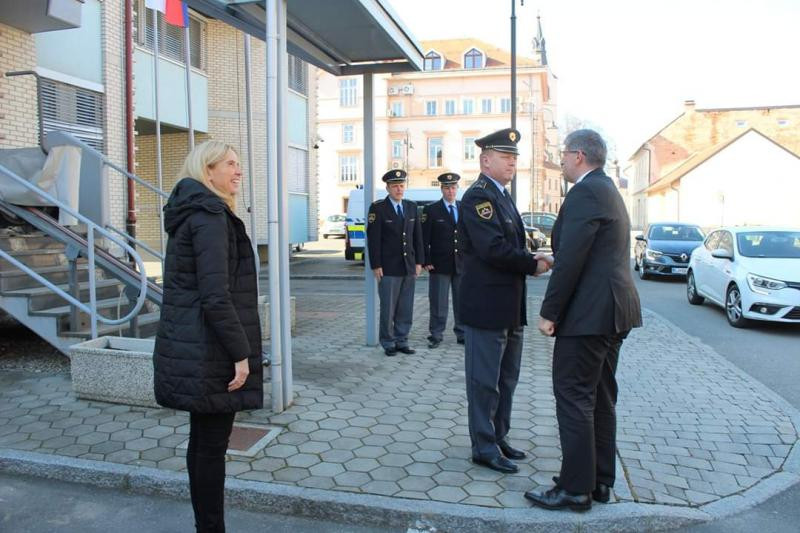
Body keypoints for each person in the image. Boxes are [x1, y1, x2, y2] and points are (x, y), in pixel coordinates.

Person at [525, 129, 642, 512]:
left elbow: (574, 258)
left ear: (578, 155)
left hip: (589, 315)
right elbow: (591, 252)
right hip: (613, 311)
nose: (560, 161)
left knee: (574, 397)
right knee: (601, 397)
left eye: (563, 154)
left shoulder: (586, 192)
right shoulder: (607, 189)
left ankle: (575, 490)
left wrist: (549, 312)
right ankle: (599, 481)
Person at [153, 140, 263, 532]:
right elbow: (216, 296)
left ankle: (207, 527)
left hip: (196, 345)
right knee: (211, 446)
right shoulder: (211, 217)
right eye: (231, 164)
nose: (239, 171)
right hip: (211, 350)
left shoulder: (192, 213)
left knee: (202, 442)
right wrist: (241, 353)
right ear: (208, 170)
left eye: (239, 164)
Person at [459, 128, 551, 474]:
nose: (513, 162)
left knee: (506, 378)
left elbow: (512, 242)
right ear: (485, 161)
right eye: (505, 157)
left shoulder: (503, 195)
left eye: (514, 158)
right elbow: (492, 249)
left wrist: (533, 253)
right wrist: (532, 263)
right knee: (484, 381)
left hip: (509, 306)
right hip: (486, 308)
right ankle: (483, 446)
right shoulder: (478, 198)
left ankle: (498, 436)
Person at [366, 169, 424, 356]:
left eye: (401, 185)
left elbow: (418, 237)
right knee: (388, 308)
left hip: (408, 265)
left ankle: (402, 340)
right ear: (388, 188)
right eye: (395, 186)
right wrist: (376, 265)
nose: (399, 189)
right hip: (388, 267)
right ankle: (388, 342)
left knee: (406, 306)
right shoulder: (378, 208)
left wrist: (419, 262)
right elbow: (373, 239)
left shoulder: (411, 207)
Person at [422, 172, 464, 349]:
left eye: (453, 187)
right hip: (439, 264)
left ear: (457, 189)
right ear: (441, 189)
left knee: (462, 301)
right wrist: (426, 260)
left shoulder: (464, 207)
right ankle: (436, 334)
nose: (450, 191)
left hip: (462, 263)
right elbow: (424, 238)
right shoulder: (431, 210)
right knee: (438, 301)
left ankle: (462, 333)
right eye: (447, 188)